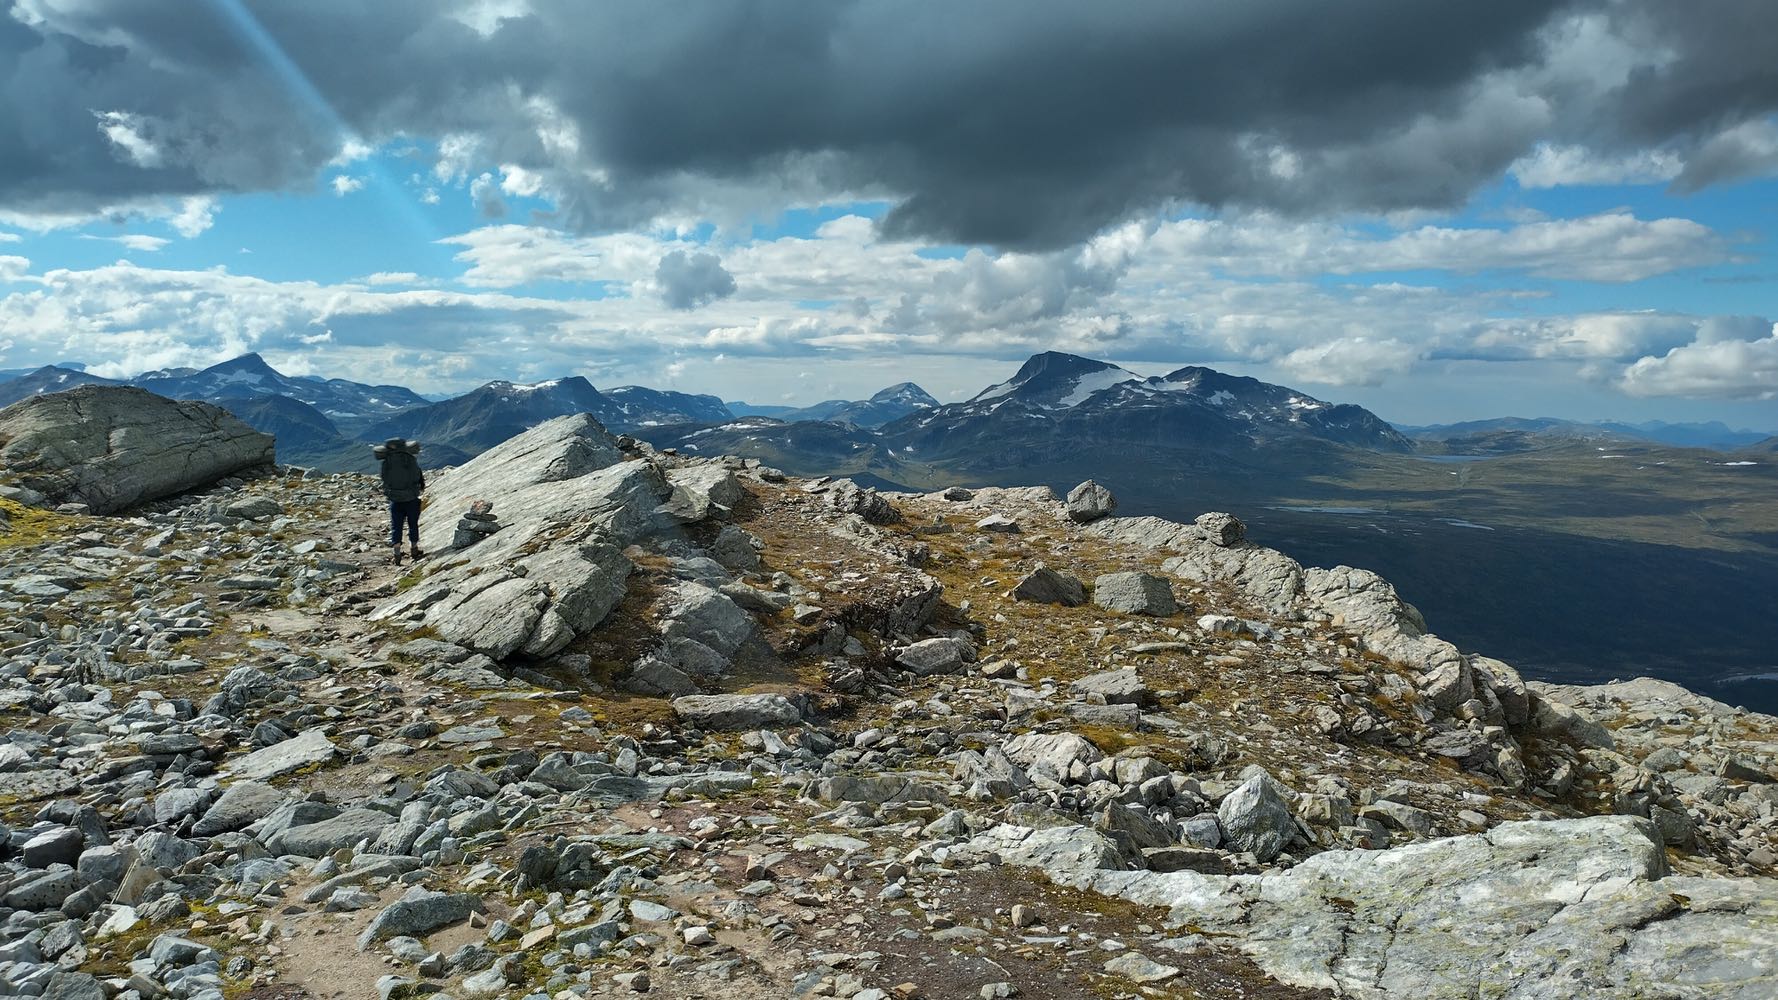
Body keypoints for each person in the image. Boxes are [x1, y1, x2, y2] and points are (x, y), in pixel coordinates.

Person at [374, 437, 425, 565]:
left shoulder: (387, 461)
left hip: (395, 499)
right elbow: (416, 476)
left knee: (396, 526)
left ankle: (397, 554)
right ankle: (414, 548)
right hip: (411, 498)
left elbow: (384, 478)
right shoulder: (410, 459)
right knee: (413, 524)